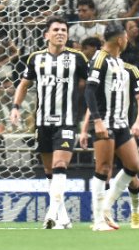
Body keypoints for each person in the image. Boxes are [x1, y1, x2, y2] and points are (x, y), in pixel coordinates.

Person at [9, 16, 89, 229]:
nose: (60, 33)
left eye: (64, 29)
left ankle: (51, 214)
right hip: (42, 122)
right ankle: (63, 218)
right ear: (47, 35)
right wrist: (16, 108)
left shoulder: (77, 58)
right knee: (49, 173)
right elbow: (24, 85)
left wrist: (91, 115)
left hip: (67, 122)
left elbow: (92, 86)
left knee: (60, 164)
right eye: (56, 29)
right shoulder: (35, 58)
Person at [80, 23, 139, 231]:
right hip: (105, 122)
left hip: (121, 124)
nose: (127, 41)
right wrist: (97, 121)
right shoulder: (100, 59)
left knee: (133, 166)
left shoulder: (120, 63)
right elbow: (90, 92)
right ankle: (99, 221)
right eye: (126, 37)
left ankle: (106, 206)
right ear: (120, 40)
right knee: (103, 169)